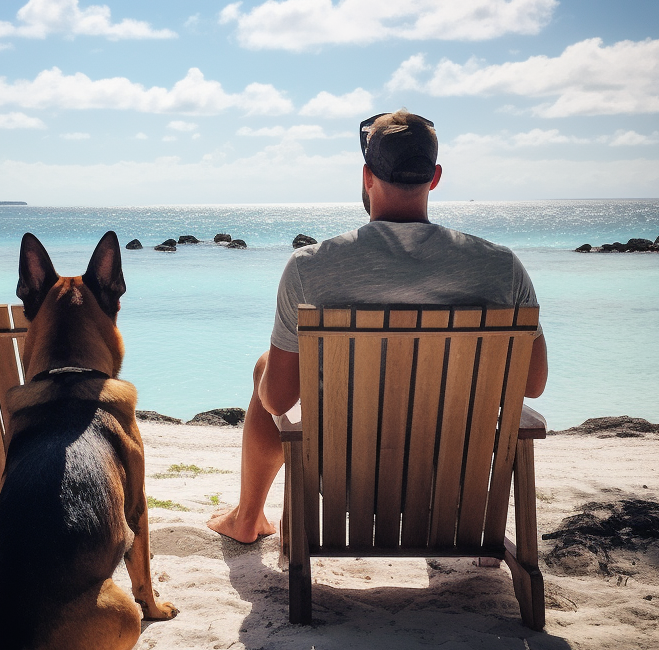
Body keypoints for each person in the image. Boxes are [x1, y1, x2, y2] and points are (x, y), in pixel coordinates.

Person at [207, 109, 548, 544]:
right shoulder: (502, 266)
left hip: (344, 485)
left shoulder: (310, 268)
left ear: (367, 175)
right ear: (436, 176)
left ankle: (247, 520)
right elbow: (533, 383)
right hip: (457, 480)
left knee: (265, 371)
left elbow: (278, 399)